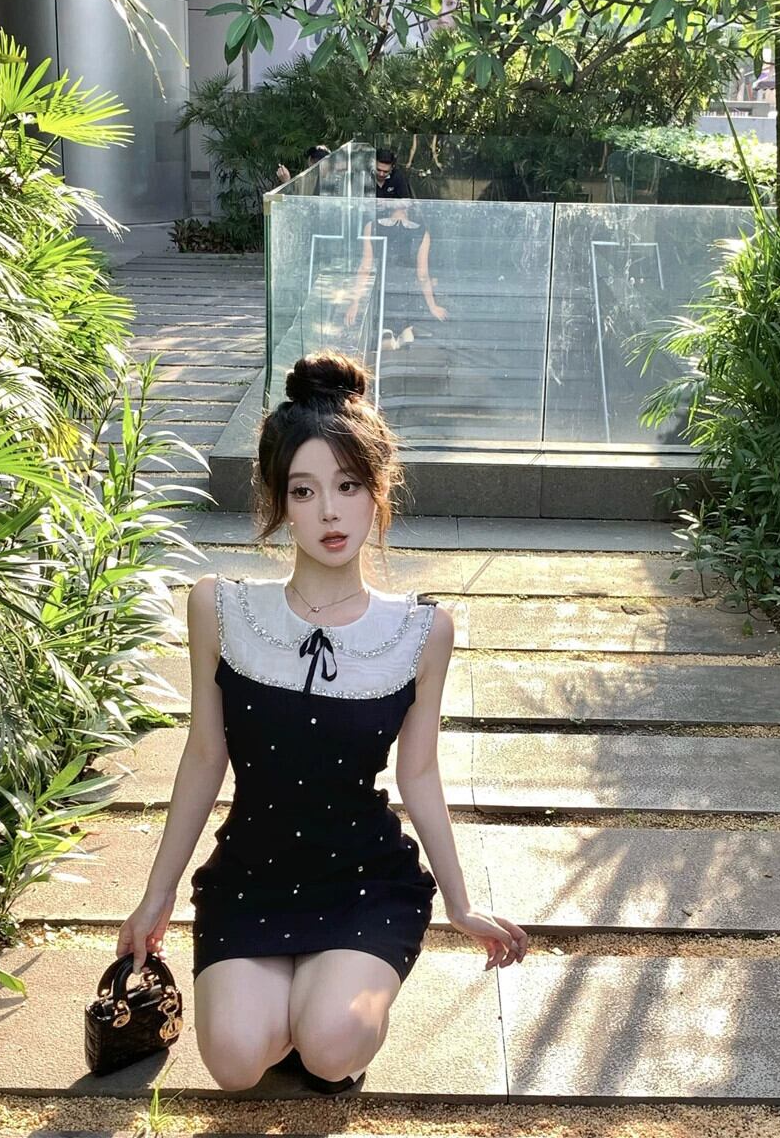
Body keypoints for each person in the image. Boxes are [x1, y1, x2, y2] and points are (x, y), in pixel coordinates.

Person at [115, 351, 527, 1096]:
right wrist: (157, 894)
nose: (329, 512)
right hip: (252, 875)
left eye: (348, 486)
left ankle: (324, 1024)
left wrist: (461, 902)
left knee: (332, 1046)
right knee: (234, 1063)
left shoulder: (422, 630)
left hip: (363, 879)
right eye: (304, 491)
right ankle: (290, 1014)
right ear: (279, 500)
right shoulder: (220, 609)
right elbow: (204, 757)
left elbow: (420, 774)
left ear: (378, 490)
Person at [344, 200, 448, 347]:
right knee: (404, 330)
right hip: (407, 297)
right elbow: (422, 275)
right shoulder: (422, 233)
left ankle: (389, 336)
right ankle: (405, 333)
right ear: (409, 206)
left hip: (380, 296)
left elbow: (365, 267)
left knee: (381, 336)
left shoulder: (372, 227)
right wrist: (432, 306)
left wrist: (355, 302)